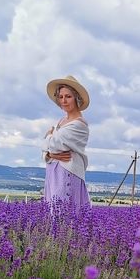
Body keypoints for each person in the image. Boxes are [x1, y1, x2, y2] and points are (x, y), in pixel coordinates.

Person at [42, 74, 91, 211]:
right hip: (52, 172)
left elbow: (54, 144)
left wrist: (48, 139)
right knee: (52, 214)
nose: (64, 100)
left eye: (68, 96)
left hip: (67, 173)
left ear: (77, 98)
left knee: (64, 215)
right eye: (61, 97)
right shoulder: (62, 121)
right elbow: (48, 150)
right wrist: (50, 155)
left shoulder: (79, 125)